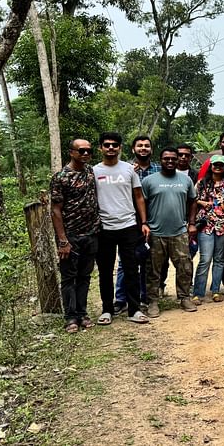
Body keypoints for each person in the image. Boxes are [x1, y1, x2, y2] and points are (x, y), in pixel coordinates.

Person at [93, 132, 151, 324]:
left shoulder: (128, 170)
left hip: (128, 226)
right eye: (107, 145)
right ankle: (107, 309)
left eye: (115, 145)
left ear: (120, 148)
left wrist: (143, 222)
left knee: (131, 269)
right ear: (100, 147)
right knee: (105, 270)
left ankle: (134, 310)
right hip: (104, 228)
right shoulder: (94, 171)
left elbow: (139, 197)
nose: (111, 148)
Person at [50, 138, 105, 332]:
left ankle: (82, 313)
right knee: (68, 277)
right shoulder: (61, 177)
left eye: (89, 151)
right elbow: (56, 210)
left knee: (85, 276)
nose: (85, 154)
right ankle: (70, 317)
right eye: (81, 151)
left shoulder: (90, 172)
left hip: (91, 234)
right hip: (70, 235)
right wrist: (63, 240)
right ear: (71, 152)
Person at [141, 147, 198, 315]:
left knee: (185, 266)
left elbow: (193, 201)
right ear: (161, 160)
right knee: (153, 269)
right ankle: (153, 302)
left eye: (174, 158)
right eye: (167, 159)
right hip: (155, 232)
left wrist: (192, 223)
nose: (171, 161)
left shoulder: (185, 180)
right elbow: (141, 203)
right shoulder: (149, 181)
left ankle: (184, 297)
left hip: (179, 231)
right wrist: (143, 223)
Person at [112, 135, 159, 314]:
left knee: (148, 259)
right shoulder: (125, 169)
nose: (143, 148)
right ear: (133, 149)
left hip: (152, 219)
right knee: (126, 261)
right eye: (139, 146)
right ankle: (121, 299)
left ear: (151, 149)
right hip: (129, 219)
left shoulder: (158, 169)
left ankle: (144, 296)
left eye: (147, 146)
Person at [193, 155, 224, 304]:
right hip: (206, 225)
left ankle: (215, 290)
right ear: (211, 166)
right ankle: (198, 293)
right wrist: (203, 202)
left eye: (221, 165)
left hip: (222, 225)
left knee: (220, 260)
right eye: (215, 165)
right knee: (205, 259)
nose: (218, 167)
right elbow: (191, 199)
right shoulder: (202, 183)